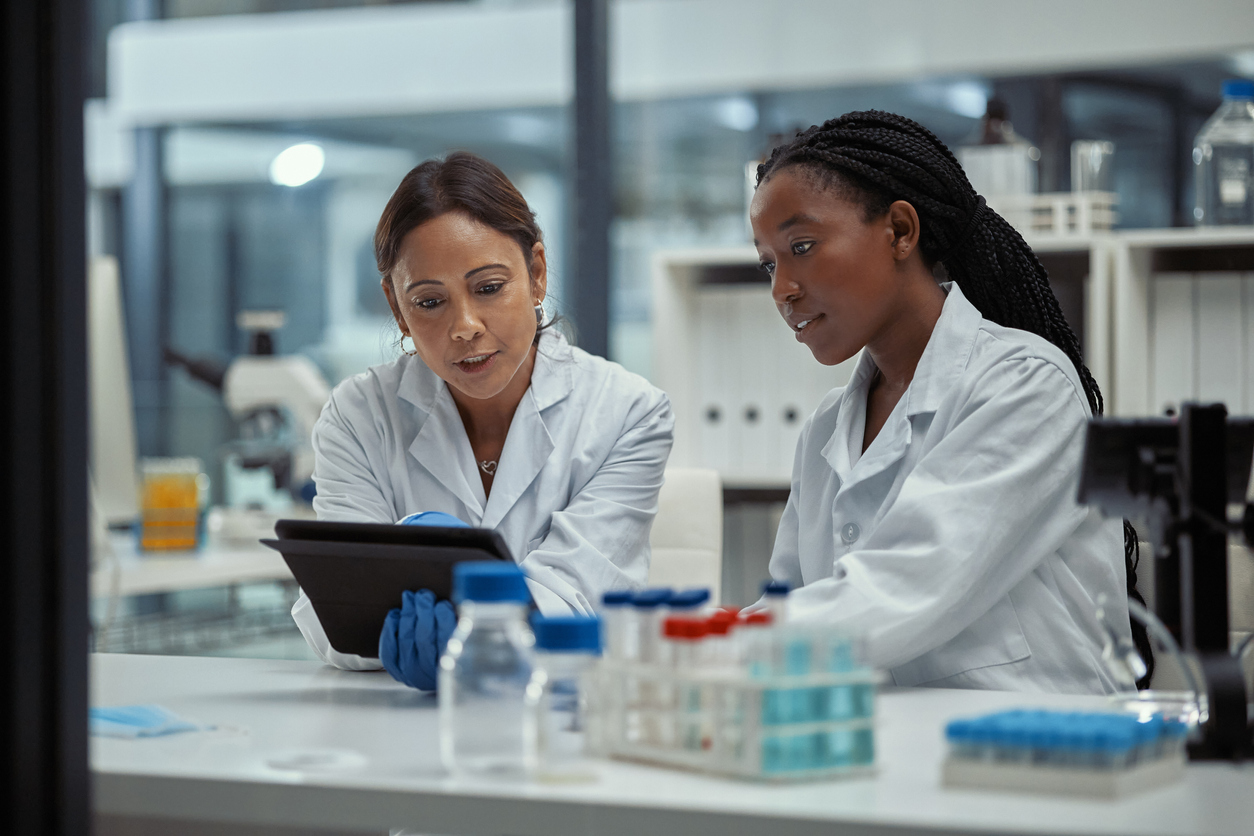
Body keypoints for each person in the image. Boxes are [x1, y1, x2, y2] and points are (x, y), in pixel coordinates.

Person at [750, 110, 1150, 694]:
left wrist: (703, 646)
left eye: (802, 246)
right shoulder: (828, 427)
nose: (782, 289)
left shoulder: (1025, 385)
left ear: (900, 232)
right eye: (768, 262)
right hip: (893, 744)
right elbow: (790, 599)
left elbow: (905, 588)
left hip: (1039, 752)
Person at [291, 152, 674, 685]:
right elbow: (340, 606)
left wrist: (475, 620)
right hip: (391, 726)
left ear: (536, 274)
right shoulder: (359, 416)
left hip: (562, 715)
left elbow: (579, 595)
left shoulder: (627, 412)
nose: (464, 326)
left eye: (489, 288)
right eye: (429, 302)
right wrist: (399, 632)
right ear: (396, 308)